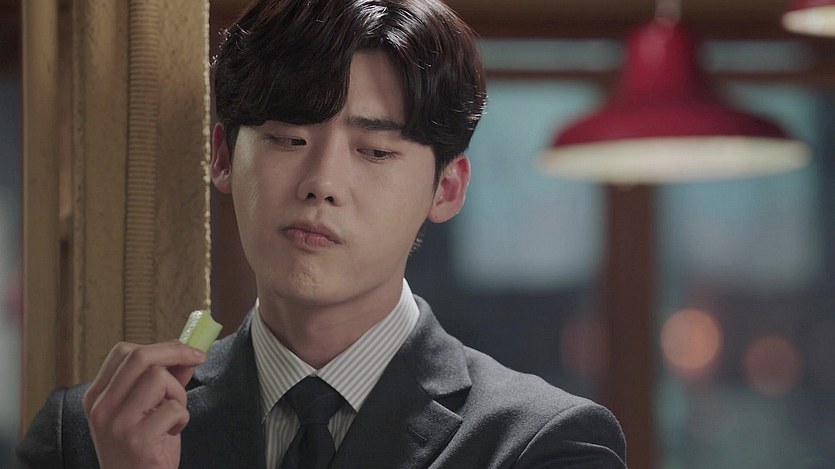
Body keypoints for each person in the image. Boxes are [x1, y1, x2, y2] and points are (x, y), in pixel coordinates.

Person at [18, 0, 627, 467]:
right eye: (288, 139)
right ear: (223, 158)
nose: (321, 183)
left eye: (375, 150)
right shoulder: (86, 436)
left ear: (446, 189)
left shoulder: (541, 442)